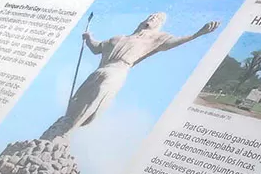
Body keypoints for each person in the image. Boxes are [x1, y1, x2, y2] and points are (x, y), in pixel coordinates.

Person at [43, 12, 221, 139]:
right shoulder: (118, 38)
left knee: (98, 97)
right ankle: (62, 127)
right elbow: (97, 48)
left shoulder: (156, 38)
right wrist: (89, 37)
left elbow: (173, 43)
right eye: (151, 16)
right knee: (79, 99)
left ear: (160, 25)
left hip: (118, 71)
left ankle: (67, 135)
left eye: (157, 19)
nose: (153, 19)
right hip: (100, 69)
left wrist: (198, 34)